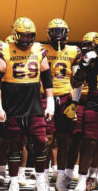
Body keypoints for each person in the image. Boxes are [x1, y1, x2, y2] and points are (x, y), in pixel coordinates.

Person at [0, 17, 54, 191]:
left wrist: (50, 103)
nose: (26, 39)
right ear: (15, 34)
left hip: (34, 104)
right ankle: (13, 180)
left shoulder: (38, 49)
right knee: (14, 145)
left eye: (29, 36)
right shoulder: (4, 49)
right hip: (13, 105)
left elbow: (47, 78)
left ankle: (41, 179)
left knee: (41, 141)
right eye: (23, 36)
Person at [39, 19, 81, 190]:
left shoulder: (73, 51)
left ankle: (60, 178)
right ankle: (44, 177)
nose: (57, 35)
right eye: (54, 31)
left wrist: (75, 103)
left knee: (63, 139)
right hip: (44, 96)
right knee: (46, 140)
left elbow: (78, 81)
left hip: (64, 96)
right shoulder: (40, 49)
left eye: (60, 31)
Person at [66, 32, 98, 191]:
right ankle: (81, 177)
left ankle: (93, 176)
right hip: (92, 100)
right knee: (87, 140)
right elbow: (76, 81)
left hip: (89, 101)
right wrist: (84, 64)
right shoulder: (90, 59)